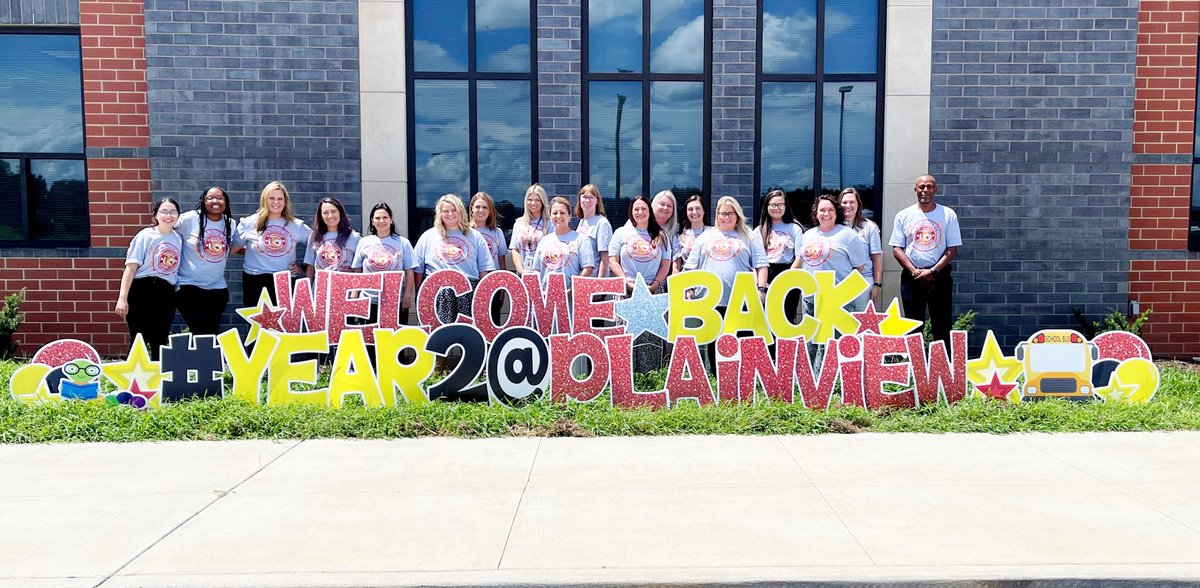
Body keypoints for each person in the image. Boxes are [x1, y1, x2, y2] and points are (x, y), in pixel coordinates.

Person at [890, 174, 962, 345]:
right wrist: (915, 272)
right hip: (912, 277)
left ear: (935, 189)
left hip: (940, 276)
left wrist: (933, 271)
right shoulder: (904, 215)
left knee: (942, 324)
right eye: (921, 187)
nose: (925, 190)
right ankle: (914, 369)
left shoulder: (947, 214)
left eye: (929, 186)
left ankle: (944, 368)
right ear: (915, 190)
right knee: (913, 325)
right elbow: (897, 249)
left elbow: (952, 249)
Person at [115, 198, 183, 360]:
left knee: (160, 338)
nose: (169, 215)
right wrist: (122, 299)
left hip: (165, 292)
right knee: (139, 338)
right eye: (164, 211)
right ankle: (132, 379)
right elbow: (131, 268)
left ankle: (158, 379)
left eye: (173, 211)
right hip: (142, 289)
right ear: (156, 215)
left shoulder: (178, 239)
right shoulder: (145, 235)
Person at [413, 194, 496, 325]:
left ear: (460, 211)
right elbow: (417, 270)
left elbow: (484, 269)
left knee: (466, 335)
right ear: (439, 213)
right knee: (438, 337)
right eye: (445, 211)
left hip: (468, 291)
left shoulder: (475, 236)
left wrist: (479, 297)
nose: (450, 214)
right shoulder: (428, 236)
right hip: (437, 292)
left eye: (454, 210)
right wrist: (421, 294)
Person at [683, 196, 769, 308]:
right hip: (706, 301)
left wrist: (761, 290)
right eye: (722, 213)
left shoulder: (750, 236)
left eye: (730, 213)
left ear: (737, 215)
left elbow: (761, 265)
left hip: (741, 301)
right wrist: (689, 289)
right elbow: (690, 267)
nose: (726, 217)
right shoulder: (704, 236)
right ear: (717, 215)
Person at [237, 180, 311, 307]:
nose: (276, 202)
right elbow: (231, 247)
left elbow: (318, 244)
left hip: (284, 280)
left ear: (285, 201)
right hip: (255, 279)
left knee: (282, 325)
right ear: (264, 199)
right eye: (271, 198)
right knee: (257, 325)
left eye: (280, 199)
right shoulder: (249, 223)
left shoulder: (296, 225)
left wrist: (303, 268)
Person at [175, 186, 237, 336]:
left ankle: (206, 359)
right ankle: (200, 359)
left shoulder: (230, 223)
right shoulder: (190, 219)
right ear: (203, 201)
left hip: (217, 289)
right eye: (210, 198)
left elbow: (230, 248)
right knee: (200, 331)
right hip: (188, 286)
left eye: (219, 198)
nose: (215, 201)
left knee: (211, 332)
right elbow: (167, 233)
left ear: (226, 202)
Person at [352, 203, 415, 326]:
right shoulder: (364, 242)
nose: (381, 221)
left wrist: (407, 296)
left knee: (396, 341)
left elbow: (409, 271)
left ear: (391, 220)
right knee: (370, 342)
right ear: (372, 221)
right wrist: (355, 294)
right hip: (369, 301)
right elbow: (358, 270)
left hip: (395, 301)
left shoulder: (403, 243)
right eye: (377, 218)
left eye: (385, 217)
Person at [756, 188, 806, 323]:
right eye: (772, 205)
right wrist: (761, 283)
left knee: (787, 317)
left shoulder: (795, 228)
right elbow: (754, 260)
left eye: (780, 205)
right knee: (765, 319)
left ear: (785, 206)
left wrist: (787, 279)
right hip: (766, 276)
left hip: (789, 274)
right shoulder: (759, 230)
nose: (776, 208)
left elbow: (800, 257)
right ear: (766, 207)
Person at [528, 197, 595, 293]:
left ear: (570, 215)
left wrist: (573, 288)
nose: (558, 216)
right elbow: (536, 270)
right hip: (545, 298)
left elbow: (588, 268)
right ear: (550, 216)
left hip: (570, 298)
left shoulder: (581, 239)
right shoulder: (544, 240)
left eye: (562, 213)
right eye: (555, 213)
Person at [609, 195, 670, 294]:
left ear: (650, 211)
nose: (640, 212)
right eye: (636, 209)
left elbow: (665, 265)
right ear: (631, 212)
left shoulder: (661, 235)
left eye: (644, 209)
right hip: (626, 288)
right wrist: (626, 283)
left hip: (653, 289)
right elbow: (612, 261)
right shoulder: (620, 232)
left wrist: (654, 285)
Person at [841, 187, 883, 311]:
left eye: (852, 202)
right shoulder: (834, 228)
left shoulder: (869, 227)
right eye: (844, 202)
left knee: (860, 325)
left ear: (858, 205)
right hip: (839, 282)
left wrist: (877, 284)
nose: (848, 205)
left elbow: (876, 259)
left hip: (864, 281)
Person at [305, 197, 360, 277]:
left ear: (340, 213)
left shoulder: (353, 237)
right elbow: (310, 268)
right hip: (320, 287)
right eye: (325, 212)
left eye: (333, 211)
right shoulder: (315, 236)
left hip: (345, 287)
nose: (330, 216)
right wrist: (308, 287)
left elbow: (359, 268)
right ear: (321, 215)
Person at [509, 184, 549, 275]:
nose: (533, 203)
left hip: (542, 275)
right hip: (523, 273)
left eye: (537, 200)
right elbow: (514, 249)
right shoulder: (519, 223)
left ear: (543, 201)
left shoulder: (549, 223)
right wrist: (521, 271)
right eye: (530, 200)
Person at [574, 184, 613, 277]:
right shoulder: (582, 221)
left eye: (591, 197)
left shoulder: (601, 223)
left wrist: (599, 282)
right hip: (582, 277)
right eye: (584, 197)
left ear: (597, 201)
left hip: (595, 278)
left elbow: (605, 256)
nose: (587, 200)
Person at [470, 192, 508, 271]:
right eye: (477, 207)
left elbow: (502, 263)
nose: (481, 210)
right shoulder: (465, 231)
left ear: (490, 211)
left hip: (492, 279)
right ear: (472, 208)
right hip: (473, 278)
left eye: (485, 207)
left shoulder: (497, 232)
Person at [674, 194, 709, 274]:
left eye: (698, 208)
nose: (694, 212)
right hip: (687, 281)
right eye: (690, 209)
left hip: (708, 281)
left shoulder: (713, 234)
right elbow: (676, 267)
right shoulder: (679, 236)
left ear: (704, 210)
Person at [651, 190, 680, 278]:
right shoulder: (639, 223)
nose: (665, 208)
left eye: (669, 206)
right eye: (662, 204)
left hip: (664, 281)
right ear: (654, 204)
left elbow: (676, 257)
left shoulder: (677, 229)